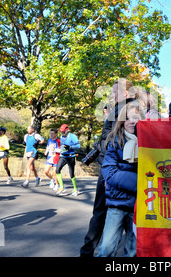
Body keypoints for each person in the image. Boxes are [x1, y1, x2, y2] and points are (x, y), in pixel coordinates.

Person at [80, 78, 137, 257]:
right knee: (113, 214)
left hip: (112, 170)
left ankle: (88, 252)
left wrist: (107, 167)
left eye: (115, 92)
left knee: (101, 212)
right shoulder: (122, 110)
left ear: (125, 93)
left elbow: (111, 140)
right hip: (113, 167)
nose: (112, 95)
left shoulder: (123, 111)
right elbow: (107, 139)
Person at [96, 101, 145, 257]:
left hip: (139, 205)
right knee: (105, 249)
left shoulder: (148, 144)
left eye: (135, 118)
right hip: (117, 203)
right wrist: (140, 183)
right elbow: (110, 173)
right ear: (122, 121)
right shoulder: (114, 141)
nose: (132, 121)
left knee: (133, 251)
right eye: (128, 118)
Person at [55, 124, 81, 196]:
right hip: (63, 156)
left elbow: (78, 146)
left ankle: (75, 189)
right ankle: (61, 187)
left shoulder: (73, 136)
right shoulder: (61, 136)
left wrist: (70, 147)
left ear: (67, 130)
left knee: (71, 173)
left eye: (63, 131)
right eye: (61, 131)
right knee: (57, 170)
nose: (62, 133)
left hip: (71, 156)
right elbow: (62, 147)